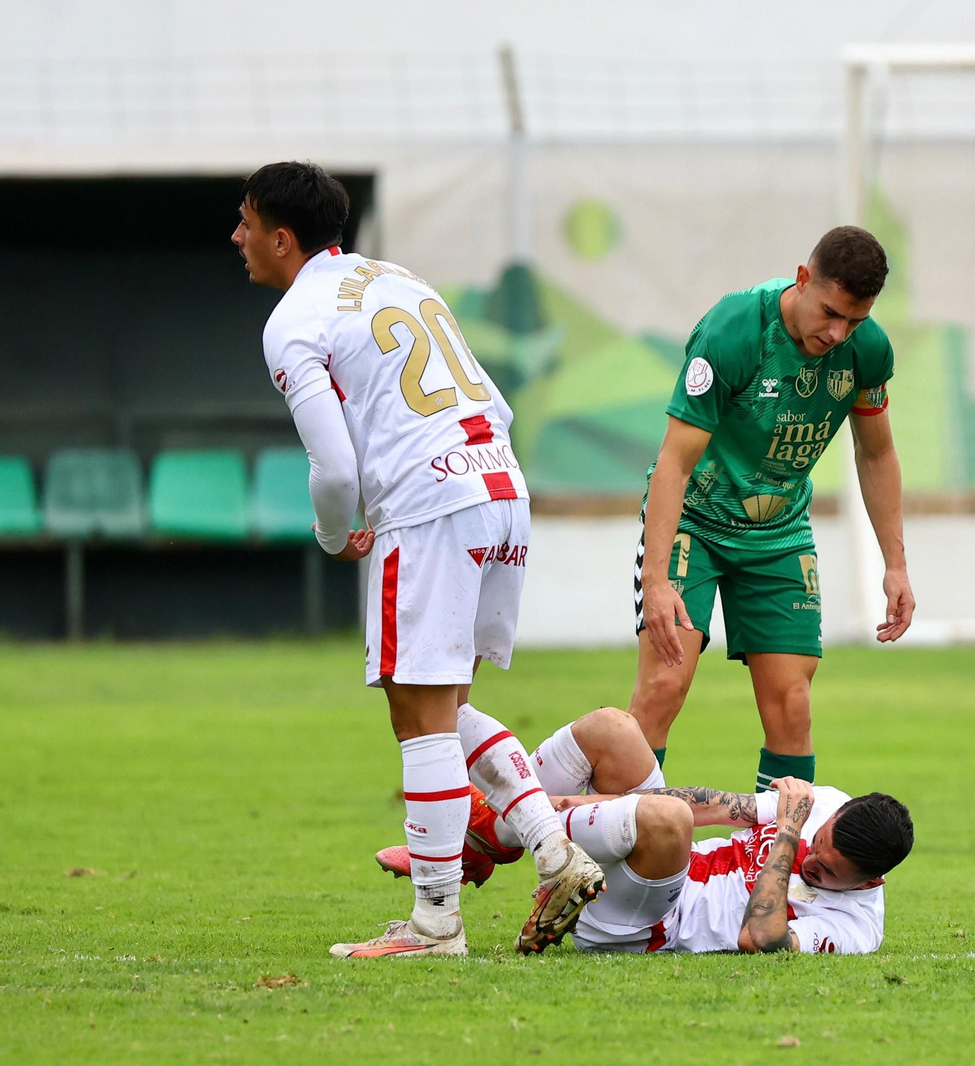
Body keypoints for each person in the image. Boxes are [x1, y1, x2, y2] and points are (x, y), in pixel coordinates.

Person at [234, 160, 604, 959]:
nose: (238, 238)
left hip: (431, 504)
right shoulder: (398, 278)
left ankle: (436, 924)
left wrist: (337, 536)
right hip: (501, 486)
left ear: (282, 236)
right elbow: (492, 399)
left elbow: (333, 470)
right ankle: (551, 847)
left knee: (418, 715)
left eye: (246, 223)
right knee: (447, 706)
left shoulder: (293, 320)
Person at [631, 227, 915, 792]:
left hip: (779, 534)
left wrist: (896, 564)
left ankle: (769, 870)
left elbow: (877, 452)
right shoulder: (733, 331)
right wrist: (656, 580)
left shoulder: (868, 350)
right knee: (664, 688)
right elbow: (673, 463)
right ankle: (621, 854)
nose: (838, 333)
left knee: (793, 707)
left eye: (854, 321)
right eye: (831, 313)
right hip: (696, 524)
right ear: (803, 280)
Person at [375, 707, 914, 955]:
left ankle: (490, 837)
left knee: (668, 821)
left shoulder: (856, 927)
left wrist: (791, 837)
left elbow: (761, 938)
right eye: (818, 846)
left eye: (827, 871)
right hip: (655, 855)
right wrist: (583, 802)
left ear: (868, 882)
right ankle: (487, 842)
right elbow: (717, 810)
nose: (812, 861)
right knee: (612, 730)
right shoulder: (829, 806)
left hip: (646, 923)